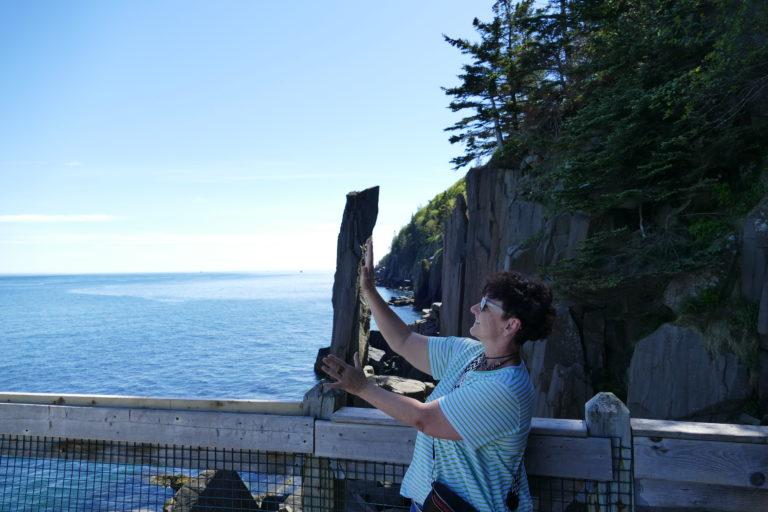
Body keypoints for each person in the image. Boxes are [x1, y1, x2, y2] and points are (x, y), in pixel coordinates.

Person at [321, 239, 555, 511]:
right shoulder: (471, 354)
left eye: (486, 305)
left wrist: (362, 387)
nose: (474, 309)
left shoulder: (506, 388)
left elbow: (425, 419)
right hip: (431, 504)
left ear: (511, 325)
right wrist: (369, 290)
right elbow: (405, 341)